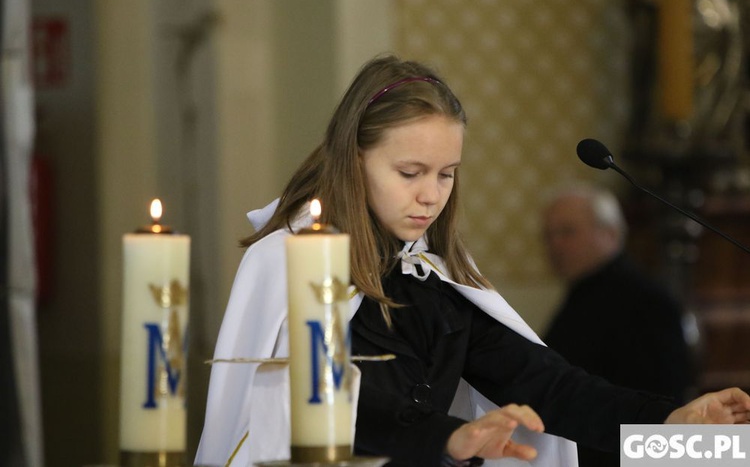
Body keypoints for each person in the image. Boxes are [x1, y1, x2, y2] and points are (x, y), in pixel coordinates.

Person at [195, 55, 750, 467]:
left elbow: (550, 387)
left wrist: (673, 426)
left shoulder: (433, 281)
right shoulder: (290, 264)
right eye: (409, 173)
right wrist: (446, 438)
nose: (431, 195)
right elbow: (316, 406)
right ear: (353, 159)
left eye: (446, 173)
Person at [541, 184, 696, 466]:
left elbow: (662, 402)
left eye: (567, 232)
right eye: (549, 235)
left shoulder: (645, 303)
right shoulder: (585, 293)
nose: (555, 245)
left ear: (610, 233)